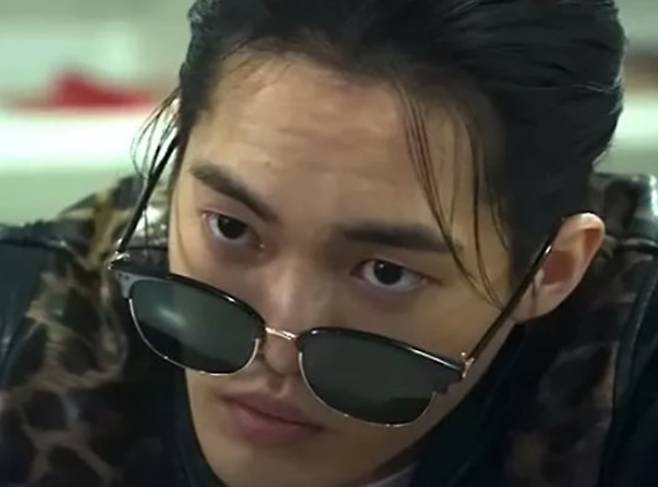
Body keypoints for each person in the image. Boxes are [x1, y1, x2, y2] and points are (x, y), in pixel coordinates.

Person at [1, 0, 657, 486]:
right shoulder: (23, 336)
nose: (275, 347)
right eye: (231, 228)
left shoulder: (631, 379)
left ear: (550, 270)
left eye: (385, 271)